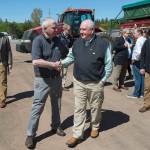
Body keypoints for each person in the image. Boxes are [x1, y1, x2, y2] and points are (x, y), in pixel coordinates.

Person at [60, 19, 112, 147]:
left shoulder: (103, 44)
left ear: (92, 30)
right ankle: (77, 134)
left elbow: (109, 65)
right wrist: (60, 63)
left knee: (95, 108)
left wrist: (102, 81)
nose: (81, 31)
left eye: (84, 29)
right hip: (79, 82)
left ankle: (95, 126)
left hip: (96, 83)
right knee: (79, 108)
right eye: (81, 29)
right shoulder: (77, 43)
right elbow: (71, 57)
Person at [25, 18, 67, 149]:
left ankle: (56, 126)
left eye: (56, 27)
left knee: (57, 104)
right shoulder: (38, 40)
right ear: (45, 29)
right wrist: (52, 65)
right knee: (37, 107)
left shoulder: (58, 40)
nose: (56, 29)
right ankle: (30, 135)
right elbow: (35, 61)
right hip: (42, 79)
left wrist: (63, 62)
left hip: (56, 79)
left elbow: (66, 53)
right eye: (53, 28)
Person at [127, 29, 146, 99]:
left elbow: (138, 52)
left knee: (137, 78)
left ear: (138, 33)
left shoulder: (139, 40)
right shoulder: (144, 39)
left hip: (137, 61)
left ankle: (136, 94)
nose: (133, 34)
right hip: (142, 61)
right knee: (142, 77)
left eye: (134, 33)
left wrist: (134, 59)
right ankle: (141, 93)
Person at [58, 23, 73, 90]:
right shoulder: (59, 37)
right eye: (69, 30)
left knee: (64, 73)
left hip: (66, 57)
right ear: (65, 29)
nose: (70, 31)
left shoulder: (70, 37)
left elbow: (71, 46)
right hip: (59, 57)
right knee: (58, 72)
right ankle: (57, 85)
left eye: (70, 30)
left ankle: (62, 86)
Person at [0, 32, 13, 108]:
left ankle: (2, 100)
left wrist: (10, 63)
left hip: (2, 63)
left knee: (3, 81)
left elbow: (9, 51)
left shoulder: (5, 38)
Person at [139, 29, 150, 112]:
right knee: (147, 88)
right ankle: (146, 105)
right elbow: (142, 55)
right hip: (148, 70)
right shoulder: (147, 42)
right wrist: (142, 67)